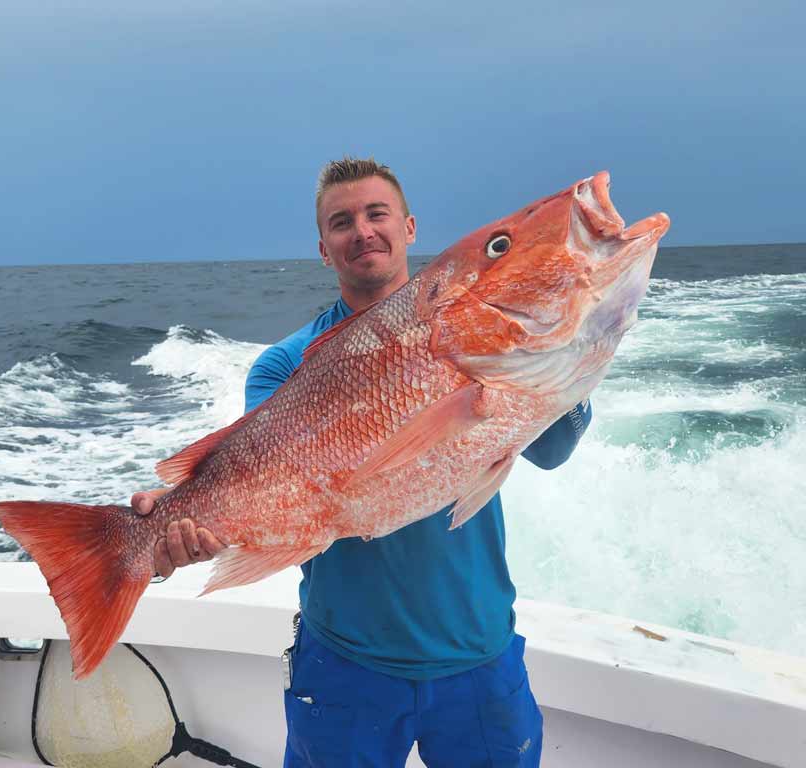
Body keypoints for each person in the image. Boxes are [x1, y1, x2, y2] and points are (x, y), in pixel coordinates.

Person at [133, 157, 591, 767]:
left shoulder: (478, 336)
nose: (362, 230)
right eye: (341, 221)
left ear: (409, 228)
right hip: (346, 662)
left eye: (377, 213)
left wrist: (564, 353)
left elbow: (555, 450)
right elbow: (259, 491)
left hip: (479, 650)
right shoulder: (284, 366)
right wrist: (170, 540)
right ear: (324, 249)